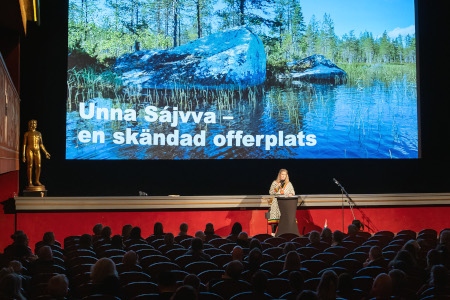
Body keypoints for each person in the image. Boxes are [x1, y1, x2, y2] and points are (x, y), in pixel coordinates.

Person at [22, 119, 51, 187]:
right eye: (33, 123)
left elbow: (41, 144)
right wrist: (23, 155)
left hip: (37, 150)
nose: (34, 125)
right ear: (30, 124)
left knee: (38, 166)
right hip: (30, 150)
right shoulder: (27, 133)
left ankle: (37, 180)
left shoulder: (39, 133)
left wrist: (46, 152)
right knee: (30, 165)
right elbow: (24, 145)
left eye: (35, 123)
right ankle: (30, 182)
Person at [268, 168, 295, 236]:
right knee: (275, 219)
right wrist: (278, 187)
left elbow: (293, 192)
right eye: (282, 174)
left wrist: (290, 194)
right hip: (276, 203)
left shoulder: (289, 184)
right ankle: (273, 233)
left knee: (284, 220)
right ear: (279, 175)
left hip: (285, 203)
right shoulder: (275, 183)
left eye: (285, 174)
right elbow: (271, 192)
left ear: (286, 176)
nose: (283, 176)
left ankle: (284, 234)